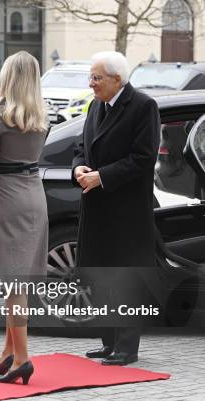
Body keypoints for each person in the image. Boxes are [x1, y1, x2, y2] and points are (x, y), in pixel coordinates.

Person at [73, 51, 160, 366]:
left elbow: (144, 157)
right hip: (96, 209)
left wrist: (103, 177)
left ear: (116, 79)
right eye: (91, 77)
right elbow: (81, 147)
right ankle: (108, 343)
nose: (91, 83)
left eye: (96, 77)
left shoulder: (143, 106)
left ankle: (127, 348)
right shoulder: (95, 105)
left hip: (126, 212)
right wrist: (79, 169)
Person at [0, 51, 49, 384]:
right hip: (34, 195)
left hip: (5, 197)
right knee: (19, 281)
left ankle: (22, 358)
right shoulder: (43, 115)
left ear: (8, 76)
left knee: (13, 283)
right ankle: (8, 350)